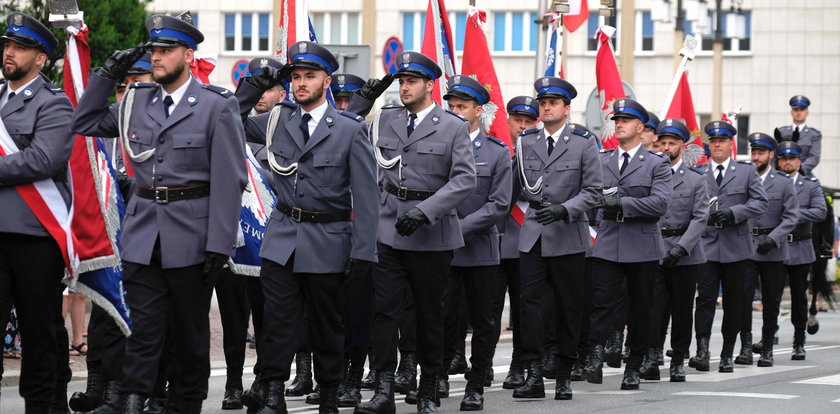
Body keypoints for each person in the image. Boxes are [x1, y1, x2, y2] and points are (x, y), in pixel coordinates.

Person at [72, 14, 247, 413]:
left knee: (188, 332)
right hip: (144, 233)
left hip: (192, 235)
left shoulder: (216, 106)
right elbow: (83, 121)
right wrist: (108, 73)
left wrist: (219, 243)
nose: (157, 57)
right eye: (154, 50)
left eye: (166, 51)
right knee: (143, 327)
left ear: (188, 54)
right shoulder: (136, 101)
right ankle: (134, 398)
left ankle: (185, 403)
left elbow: (229, 179)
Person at [235, 40, 379, 414]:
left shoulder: (348, 129)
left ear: (326, 81)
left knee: (326, 325)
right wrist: (252, 86)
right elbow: (228, 119)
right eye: (295, 77)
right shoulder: (278, 120)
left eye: (309, 76)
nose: (301, 83)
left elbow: (365, 198)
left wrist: (364, 253)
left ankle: (329, 395)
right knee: (277, 321)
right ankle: (273, 393)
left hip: (328, 239)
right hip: (282, 236)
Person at [356, 51, 476, 414]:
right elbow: (347, 125)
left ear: (429, 85)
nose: (404, 88)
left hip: (431, 233)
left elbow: (465, 180)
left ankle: (427, 392)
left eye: (411, 81)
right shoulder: (387, 119)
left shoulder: (452, 126)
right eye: (401, 81)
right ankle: (383, 390)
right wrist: (367, 97)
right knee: (384, 311)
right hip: (389, 227)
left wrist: (426, 212)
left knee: (428, 314)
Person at [0, 12, 75, 413]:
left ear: (41, 58)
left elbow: (43, 159)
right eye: (8, 45)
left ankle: (43, 406)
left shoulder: (54, 103)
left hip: (34, 234)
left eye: (20, 48)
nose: (9, 53)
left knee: (39, 330)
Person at [512, 77, 602, 400]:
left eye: (553, 102)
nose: (546, 107)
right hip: (534, 232)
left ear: (567, 108)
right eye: (543, 102)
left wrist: (565, 210)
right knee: (530, 307)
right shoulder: (525, 142)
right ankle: (534, 373)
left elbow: (593, 192)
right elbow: (517, 188)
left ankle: (564, 372)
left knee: (568, 306)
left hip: (568, 233)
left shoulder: (583, 143)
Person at [440, 75, 512, 410]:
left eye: (462, 107)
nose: (455, 112)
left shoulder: (497, 153)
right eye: (451, 106)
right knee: (441, 316)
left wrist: (459, 229)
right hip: (440, 249)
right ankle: (436, 375)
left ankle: (476, 383)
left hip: (479, 249)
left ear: (477, 110)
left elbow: (498, 206)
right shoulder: (437, 146)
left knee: (483, 321)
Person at [689, 121, 767, 374]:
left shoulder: (746, 172)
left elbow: (760, 203)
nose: (717, 145)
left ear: (730, 144)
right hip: (707, 246)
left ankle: (726, 353)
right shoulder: (699, 172)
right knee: (705, 300)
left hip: (736, 247)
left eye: (721, 141)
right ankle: (702, 351)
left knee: (735, 302)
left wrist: (734, 213)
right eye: (713, 141)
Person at [637, 119, 709, 383]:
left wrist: (681, 248)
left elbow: (701, 217)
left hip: (684, 253)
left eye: (672, 143)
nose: (666, 148)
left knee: (681, 311)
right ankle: (652, 357)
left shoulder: (695, 179)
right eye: (663, 143)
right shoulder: (649, 174)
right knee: (654, 309)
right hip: (653, 249)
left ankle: (678, 360)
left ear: (682, 145)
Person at [733, 134, 799, 368]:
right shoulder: (742, 179)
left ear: (771, 155)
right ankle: (746, 347)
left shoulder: (783, 182)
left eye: (760, 153)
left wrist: (773, 239)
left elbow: (791, 216)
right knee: (742, 300)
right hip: (747, 246)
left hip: (773, 249)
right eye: (753, 152)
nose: (755, 157)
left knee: (771, 301)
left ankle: (768, 348)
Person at [495, 96, 539, 390]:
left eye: (528, 122)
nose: (522, 126)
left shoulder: (540, 153)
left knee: (524, 311)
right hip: (497, 240)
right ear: (508, 121)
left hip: (527, 241)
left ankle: (518, 365)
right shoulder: (498, 152)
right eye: (517, 121)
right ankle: (482, 366)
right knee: (488, 309)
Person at [776, 141, 827, 362]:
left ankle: (799, 341)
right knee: (771, 295)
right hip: (775, 246)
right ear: (778, 161)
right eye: (784, 158)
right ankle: (769, 337)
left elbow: (819, 212)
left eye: (792, 158)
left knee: (799, 297)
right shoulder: (771, 183)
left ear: (799, 161)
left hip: (799, 246)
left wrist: (791, 215)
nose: (788, 162)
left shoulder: (811, 184)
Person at [776, 95, 820, 175]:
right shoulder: (782, 132)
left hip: (804, 174)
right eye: (796, 109)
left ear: (807, 112)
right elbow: (775, 155)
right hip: (782, 173)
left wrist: (798, 169)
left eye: (802, 109)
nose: (799, 112)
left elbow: (814, 157)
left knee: (815, 187)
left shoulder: (814, 134)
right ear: (791, 112)